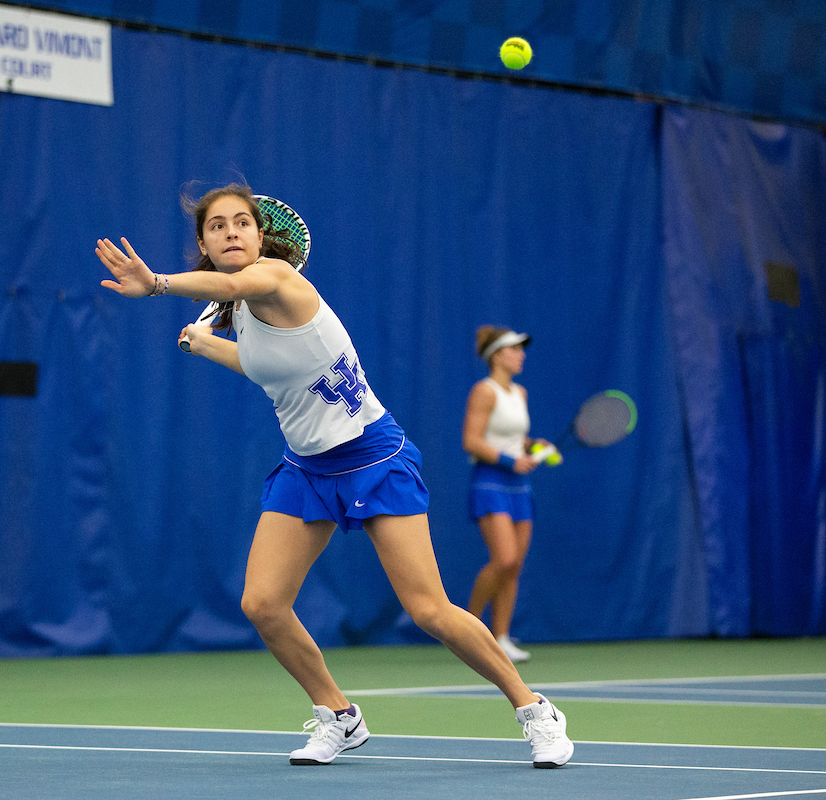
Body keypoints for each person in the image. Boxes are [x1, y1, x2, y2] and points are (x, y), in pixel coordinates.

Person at [95, 183, 573, 769]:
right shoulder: (239, 311)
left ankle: (535, 710)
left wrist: (159, 285)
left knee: (429, 609)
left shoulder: (276, 279)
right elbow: (271, 371)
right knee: (264, 604)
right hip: (307, 468)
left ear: (262, 235)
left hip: (373, 458)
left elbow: (234, 285)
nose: (232, 233)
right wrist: (203, 345)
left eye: (242, 222)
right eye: (217, 227)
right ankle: (338, 716)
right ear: (205, 241)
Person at [461, 326, 551, 663]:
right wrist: (512, 460)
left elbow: (515, 437)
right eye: (515, 349)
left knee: (514, 567)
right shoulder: (483, 392)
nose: (521, 355)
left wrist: (534, 447)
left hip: (519, 487)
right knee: (504, 559)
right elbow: (472, 441)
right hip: (490, 482)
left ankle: (500, 638)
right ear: (497, 355)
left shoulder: (520, 393)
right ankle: (466, 630)